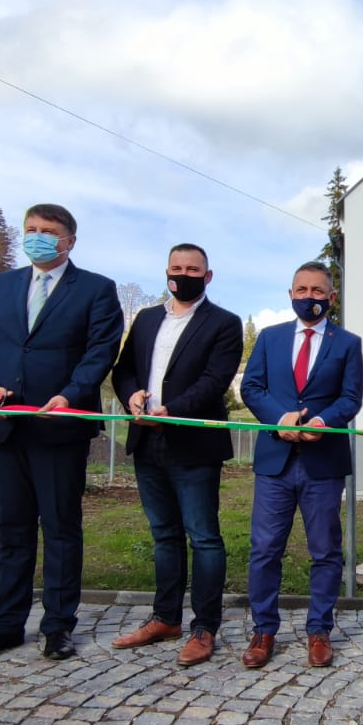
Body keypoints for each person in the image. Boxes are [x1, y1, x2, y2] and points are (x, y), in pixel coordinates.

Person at [0, 204, 123, 662]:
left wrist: (71, 395)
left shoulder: (96, 289)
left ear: (69, 240)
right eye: (30, 229)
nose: (37, 237)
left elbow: (100, 352)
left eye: (47, 231)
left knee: (61, 529)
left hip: (59, 428)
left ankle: (57, 626)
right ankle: (4, 625)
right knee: (11, 531)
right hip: (6, 426)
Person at [109, 243, 243, 668]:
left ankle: (205, 627)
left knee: (203, 537)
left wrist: (173, 410)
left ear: (208, 276)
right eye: (176, 267)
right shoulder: (147, 318)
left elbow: (214, 380)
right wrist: (131, 395)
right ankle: (165, 617)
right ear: (166, 271)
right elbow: (123, 369)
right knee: (163, 535)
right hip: (146, 440)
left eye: (193, 269)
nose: (183, 274)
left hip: (193, 443)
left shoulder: (224, 323)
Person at [239, 261, 363, 669]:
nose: (309, 297)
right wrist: (280, 418)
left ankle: (319, 630)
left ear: (332, 297)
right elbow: (251, 387)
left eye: (317, 291)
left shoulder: (348, 343)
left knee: (325, 550)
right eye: (302, 290)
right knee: (264, 549)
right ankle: (263, 630)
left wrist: (323, 422)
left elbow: (351, 397)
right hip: (275, 461)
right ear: (290, 294)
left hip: (322, 462)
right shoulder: (270, 338)